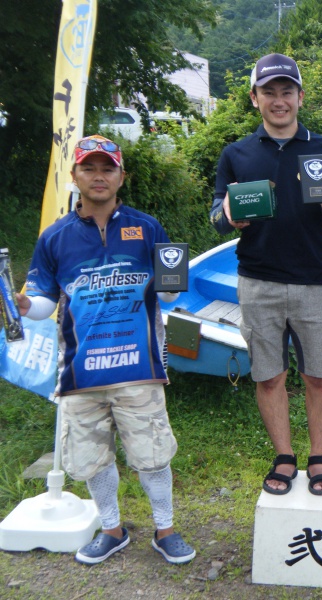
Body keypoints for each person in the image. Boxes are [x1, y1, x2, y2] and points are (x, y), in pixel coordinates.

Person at [16, 135, 195, 565]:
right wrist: (25, 305)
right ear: (74, 176)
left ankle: (165, 529)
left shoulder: (147, 227)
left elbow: (169, 289)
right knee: (91, 460)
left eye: (108, 168)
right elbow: (42, 300)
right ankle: (112, 528)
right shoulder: (54, 237)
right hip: (81, 373)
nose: (99, 176)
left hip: (139, 366)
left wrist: (172, 290)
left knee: (152, 455)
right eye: (89, 168)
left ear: (121, 177)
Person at [210, 53, 322, 496]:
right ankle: (284, 456)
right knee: (269, 376)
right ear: (254, 99)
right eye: (269, 92)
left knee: (318, 375)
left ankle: (319, 457)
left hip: (313, 280)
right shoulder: (236, 154)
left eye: (286, 91)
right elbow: (215, 217)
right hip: (257, 281)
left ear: (300, 97)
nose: (279, 100)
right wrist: (229, 215)